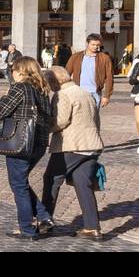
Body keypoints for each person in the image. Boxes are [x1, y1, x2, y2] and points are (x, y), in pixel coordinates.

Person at [0, 57, 54, 240]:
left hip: (20, 142)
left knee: (18, 185)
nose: (11, 73)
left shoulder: (20, 88)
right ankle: (44, 217)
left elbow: (0, 111)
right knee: (21, 182)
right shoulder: (42, 89)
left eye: (13, 70)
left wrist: (6, 94)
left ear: (21, 71)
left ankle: (27, 228)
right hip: (39, 142)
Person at [39, 66, 102, 238]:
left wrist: (43, 128)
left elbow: (60, 121)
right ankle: (92, 227)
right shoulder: (85, 92)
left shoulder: (62, 95)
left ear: (54, 81)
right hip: (91, 144)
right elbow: (96, 118)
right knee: (83, 184)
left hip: (72, 145)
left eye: (48, 82)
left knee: (51, 179)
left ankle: (44, 221)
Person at [66, 34, 114, 113]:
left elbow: (109, 78)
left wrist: (107, 96)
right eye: (93, 44)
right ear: (87, 43)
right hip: (78, 92)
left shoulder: (104, 58)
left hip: (95, 93)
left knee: (93, 119)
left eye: (98, 45)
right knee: (78, 117)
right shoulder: (76, 57)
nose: (95, 47)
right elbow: (66, 73)